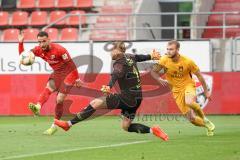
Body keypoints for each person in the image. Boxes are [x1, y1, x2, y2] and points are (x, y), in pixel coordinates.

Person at [54, 41, 168, 141]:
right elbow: (139, 57)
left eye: (111, 50)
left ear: (117, 50)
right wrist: (151, 56)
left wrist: (108, 86)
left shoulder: (118, 63)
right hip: (137, 98)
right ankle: (153, 130)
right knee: (126, 126)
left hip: (127, 98)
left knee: (95, 103)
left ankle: (68, 124)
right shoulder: (129, 57)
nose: (110, 53)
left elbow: (115, 75)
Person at [18, 31, 82, 135]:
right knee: (48, 88)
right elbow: (23, 56)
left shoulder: (60, 50)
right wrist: (20, 42)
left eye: (44, 41)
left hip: (69, 74)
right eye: (39, 42)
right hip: (57, 73)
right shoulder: (38, 50)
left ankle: (54, 126)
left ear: (49, 40)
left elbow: (71, 65)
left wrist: (77, 78)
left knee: (59, 99)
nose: (41, 44)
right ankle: (38, 107)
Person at [150, 40, 215, 136]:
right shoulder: (164, 60)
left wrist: (206, 91)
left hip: (188, 85)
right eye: (167, 49)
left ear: (178, 49)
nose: (169, 51)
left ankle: (204, 118)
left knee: (189, 102)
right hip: (176, 90)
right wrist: (159, 79)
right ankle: (208, 125)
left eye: (171, 49)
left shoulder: (188, 61)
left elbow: (200, 76)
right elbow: (153, 72)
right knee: (191, 119)